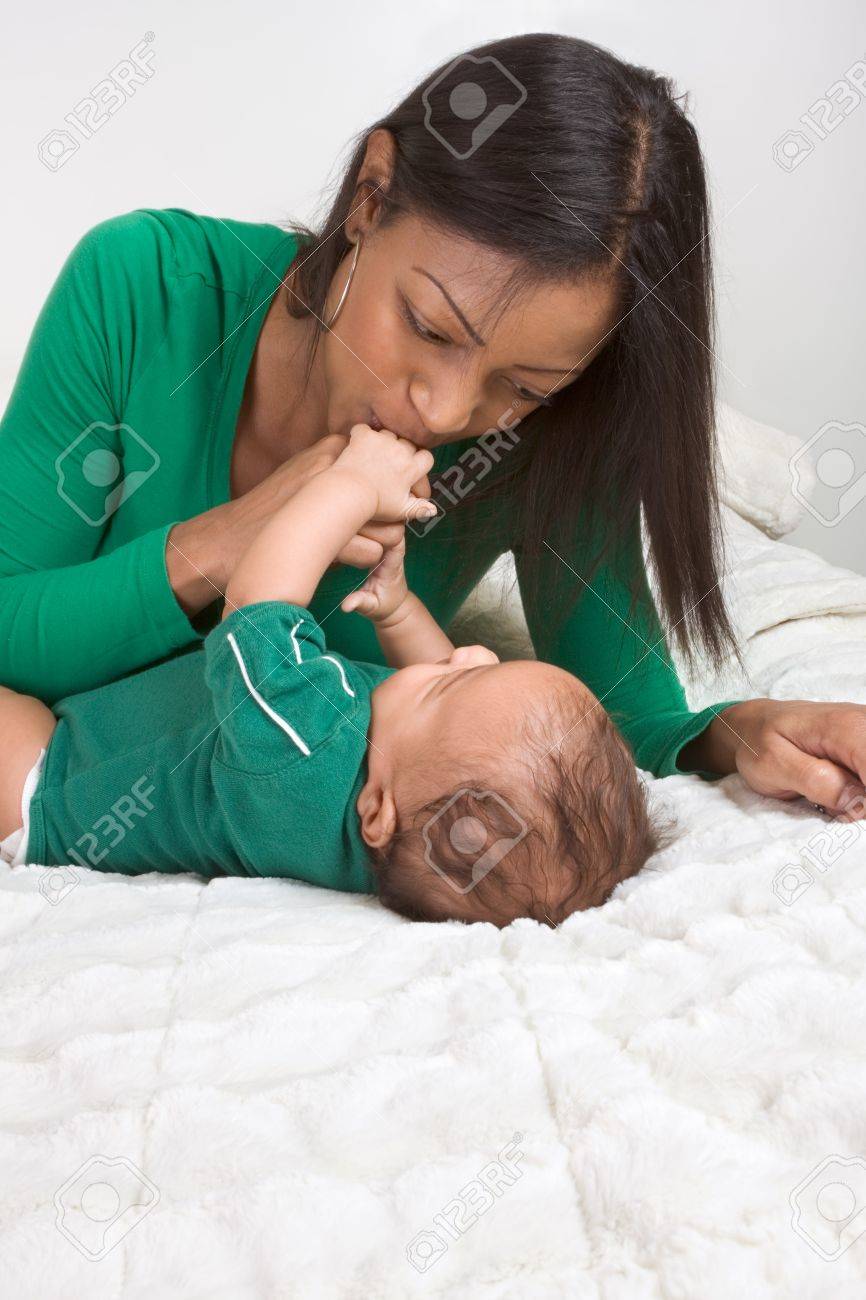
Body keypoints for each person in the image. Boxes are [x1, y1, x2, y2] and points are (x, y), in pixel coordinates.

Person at [1, 33, 865, 826]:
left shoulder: (552, 441)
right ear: (371, 199)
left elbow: (627, 715)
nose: (448, 413)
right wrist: (242, 536)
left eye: (524, 384)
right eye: (430, 327)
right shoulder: (145, 289)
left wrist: (740, 734)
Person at [0, 426, 663, 927]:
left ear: (376, 811)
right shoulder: (402, 777)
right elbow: (438, 688)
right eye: (487, 663)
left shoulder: (302, 759)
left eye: (454, 682)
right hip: (78, 738)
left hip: (46, 788)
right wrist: (400, 609)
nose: (473, 653)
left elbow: (257, 607)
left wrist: (350, 487)